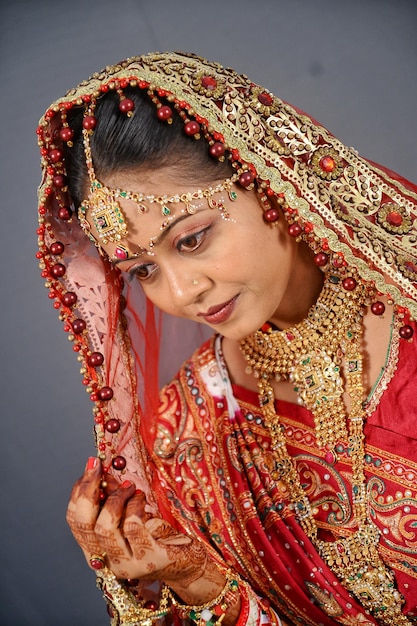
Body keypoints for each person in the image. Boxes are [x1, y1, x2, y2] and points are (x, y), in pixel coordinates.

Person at [36, 51, 417, 626]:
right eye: (142, 270)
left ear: (270, 181)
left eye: (191, 239)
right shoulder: (187, 431)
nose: (182, 290)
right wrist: (198, 584)